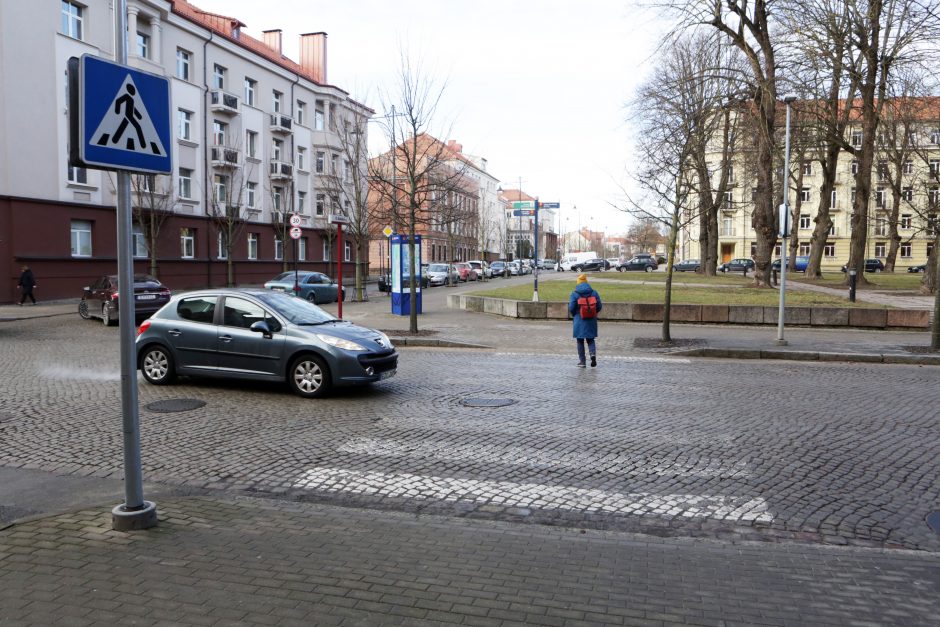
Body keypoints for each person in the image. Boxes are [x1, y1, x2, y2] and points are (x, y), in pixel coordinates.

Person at [568, 273, 602, 368]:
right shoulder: (594, 292)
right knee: (590, 339)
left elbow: (571, 307)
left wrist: (575, 314)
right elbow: (599, 306)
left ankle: (582, 361)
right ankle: (593, 355)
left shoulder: (575, 293)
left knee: (580, 340)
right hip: (591, 319)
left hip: (579, 319)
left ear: (578, 283)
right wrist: (593, 312)